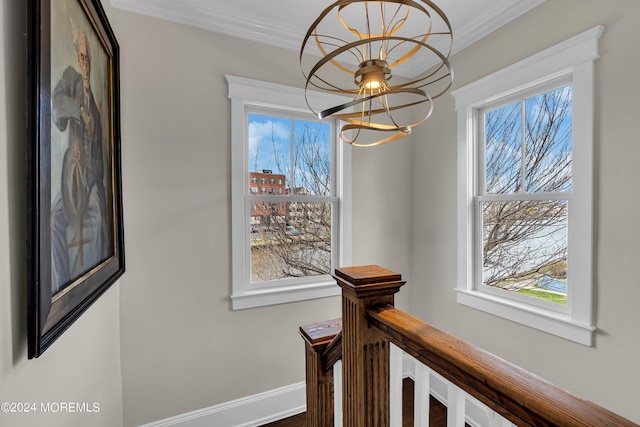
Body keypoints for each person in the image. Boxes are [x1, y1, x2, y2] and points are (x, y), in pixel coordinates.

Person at [50, 31, 110, 293]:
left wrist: (90, 166)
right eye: (82, 57)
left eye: (88, 60)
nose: (85, 65)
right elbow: (57, 105)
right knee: (52, 218)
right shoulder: (70, 79)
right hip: (71, 176)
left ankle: (98, 280)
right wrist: (79, 113)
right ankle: (62, 285)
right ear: (78, 56)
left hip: (91, 180)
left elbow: (100, 160)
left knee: (101, 218)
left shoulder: (98, 110)